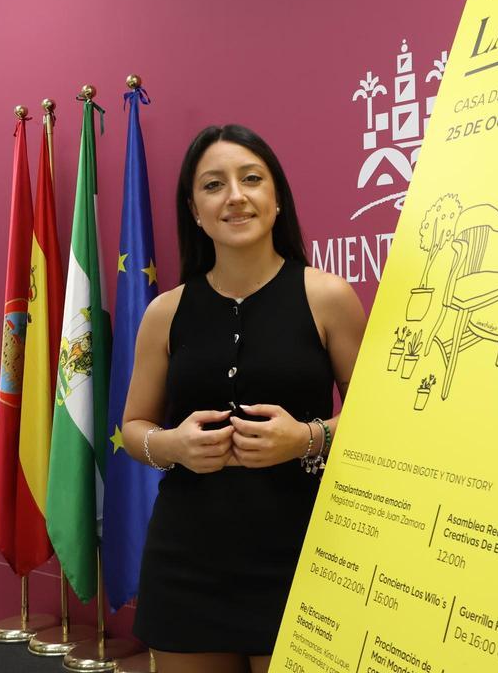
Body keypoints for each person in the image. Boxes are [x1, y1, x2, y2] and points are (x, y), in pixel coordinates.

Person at [122, 124, 366, 673]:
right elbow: (135, 426)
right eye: (213, 185)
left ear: (276, 198)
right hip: (185, 561)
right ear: (195, 209)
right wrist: (174, 446)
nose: (234, 195)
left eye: (251, 179)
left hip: (303, 555)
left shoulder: (327, 297)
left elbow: (379, 422)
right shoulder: (165, 311)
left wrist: (307, 438)